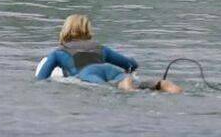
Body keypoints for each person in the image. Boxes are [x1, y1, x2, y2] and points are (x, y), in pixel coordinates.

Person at [36, 14, 183, 93]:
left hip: (87, 74)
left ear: (65, 30)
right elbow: (129, 64)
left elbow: (41, 78)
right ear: (88, 30)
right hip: (110, 70)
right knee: (130, 81)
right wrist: (131, 63)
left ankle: (127, 88)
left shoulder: (58, 53)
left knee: (107, 89)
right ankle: (163, 85)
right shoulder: (101, 48)